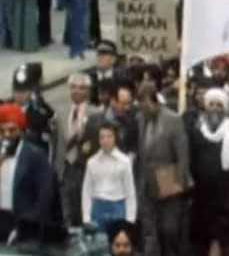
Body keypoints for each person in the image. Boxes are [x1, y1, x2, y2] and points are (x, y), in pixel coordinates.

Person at [189, 87, 229, 256]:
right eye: (212, 104)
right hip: (202, 194)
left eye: (219, 105)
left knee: (226, 241)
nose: (215, 109)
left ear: (225, 108)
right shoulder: (197, 129)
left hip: (227, 195)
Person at [136, 82, 191, 256]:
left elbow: (182, 156)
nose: (144, 109)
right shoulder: (141, 120)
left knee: (169, 231)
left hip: (169, 182)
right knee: (150, 233)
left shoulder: (173, 120)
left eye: (146, 105)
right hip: (147, 184)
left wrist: (180, 185)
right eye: (141, 106)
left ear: (155, 102)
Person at [0, 102, 63, 243]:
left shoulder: (35, 155)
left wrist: (26, 227)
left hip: (25, 224)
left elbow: (45, 197)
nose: (7, 135)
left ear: (21, 130)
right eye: (2, 131)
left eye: (12, 130)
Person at [55, 72, 101, 226]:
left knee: (85, 212)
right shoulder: (60, 113)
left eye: (81, 88)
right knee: (66, 212)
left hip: (86, 169)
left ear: (88, 91)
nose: (77, 91)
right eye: (74, 87)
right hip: (66, 169)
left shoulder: (96, 114)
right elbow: (57, 144)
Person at [81, 121, 137, 231]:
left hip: (118, 207)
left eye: (109, 136)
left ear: (115, 138)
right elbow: (86, 191)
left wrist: (130, 219)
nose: (105, 140)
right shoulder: (92, 162)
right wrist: (86, 218)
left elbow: (130, 193)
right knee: (98, 245)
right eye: (102, 137)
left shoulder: (124, 161)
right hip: (98, 207)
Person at [12, 62, 57, 162]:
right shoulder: (5, 111)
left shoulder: (41, 117)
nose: (20, 95)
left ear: (31, 91)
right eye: (17, 90)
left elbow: (48, 150)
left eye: (24, 91)